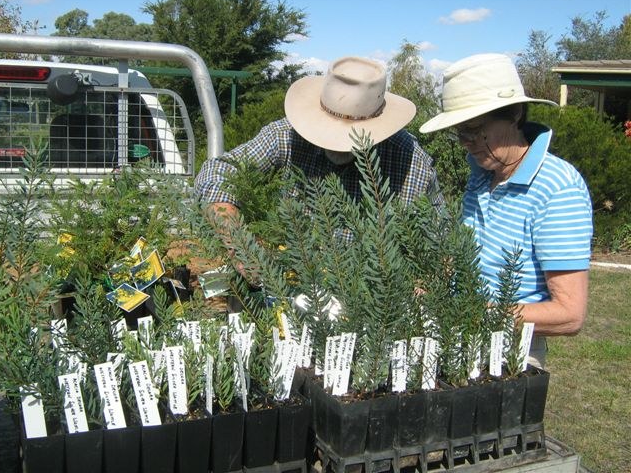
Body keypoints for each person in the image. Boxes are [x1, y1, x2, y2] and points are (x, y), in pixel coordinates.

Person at [420, 53, 593, 368]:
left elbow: (569, 314)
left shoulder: (557, 187)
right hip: (460, 341)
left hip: (512, 355)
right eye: (458, 131)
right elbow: (470, 255)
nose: (465, 142)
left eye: (474, 129)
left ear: (514, 113)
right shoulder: (481, 173)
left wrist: (480, 313)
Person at [195, 56, 445, 242]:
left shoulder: (410, 162)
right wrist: (242, 246)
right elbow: (217, 173)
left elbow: (442, 240)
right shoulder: (287, 136)